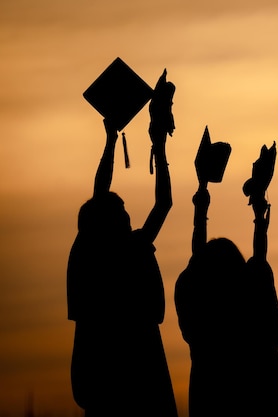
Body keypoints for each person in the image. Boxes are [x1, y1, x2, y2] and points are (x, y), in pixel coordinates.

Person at [67, 70, 178, 417]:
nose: (130, 219)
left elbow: (103, 195)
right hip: (139, 365)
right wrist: (158, 146)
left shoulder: (87, 256)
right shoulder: (129, 250)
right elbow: (164, 203)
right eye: (124, 215)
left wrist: (112, 140)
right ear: (113, 223)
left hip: (98, 369)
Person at [175, 142, 278, 417]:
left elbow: (198, 262)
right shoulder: (251, 293)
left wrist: (201, 200)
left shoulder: (200, 302)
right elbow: (258, 261)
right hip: (257, 395)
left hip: (210, 396)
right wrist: (259, 216)